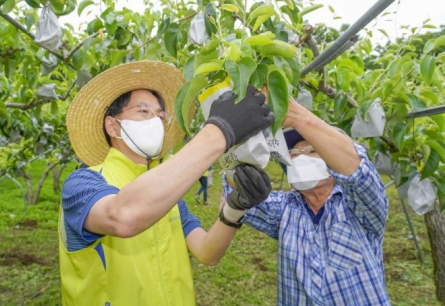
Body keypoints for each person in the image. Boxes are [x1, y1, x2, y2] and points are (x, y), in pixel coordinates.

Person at [59, 60, 274, 306]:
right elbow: (122, 216)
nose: (156, 121)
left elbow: (206, 252)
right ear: (112, 125)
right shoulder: (82, 184)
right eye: (143, 112)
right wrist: (219, 131)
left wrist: (235, 208)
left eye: (160, 116)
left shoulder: (168, 200)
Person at [222, 97, 390, 305]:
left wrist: (297, 117)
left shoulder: (357, 207)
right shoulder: (285, 209)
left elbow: (359, 172)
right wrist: (237, 141)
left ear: (333, 162)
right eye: (293, 154)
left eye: (312, 151)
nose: (300, 158)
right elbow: (238, 190)